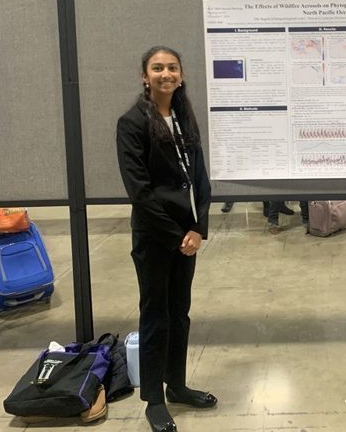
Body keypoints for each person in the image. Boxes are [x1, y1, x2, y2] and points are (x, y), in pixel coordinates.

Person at [116, 46, 217, 432]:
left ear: (181, 74)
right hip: (156, 236)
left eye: (172, 67)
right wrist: (177, 234)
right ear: (145, 76)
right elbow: (139, 191)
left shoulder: (183, 116)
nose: (166, 74)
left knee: (180, 313)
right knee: (156, 316)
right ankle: (154, 400)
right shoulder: (132, 123)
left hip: (187, 235)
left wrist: (198, 228)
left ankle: (176, 385)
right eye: (157, 68)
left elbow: (201, 180)